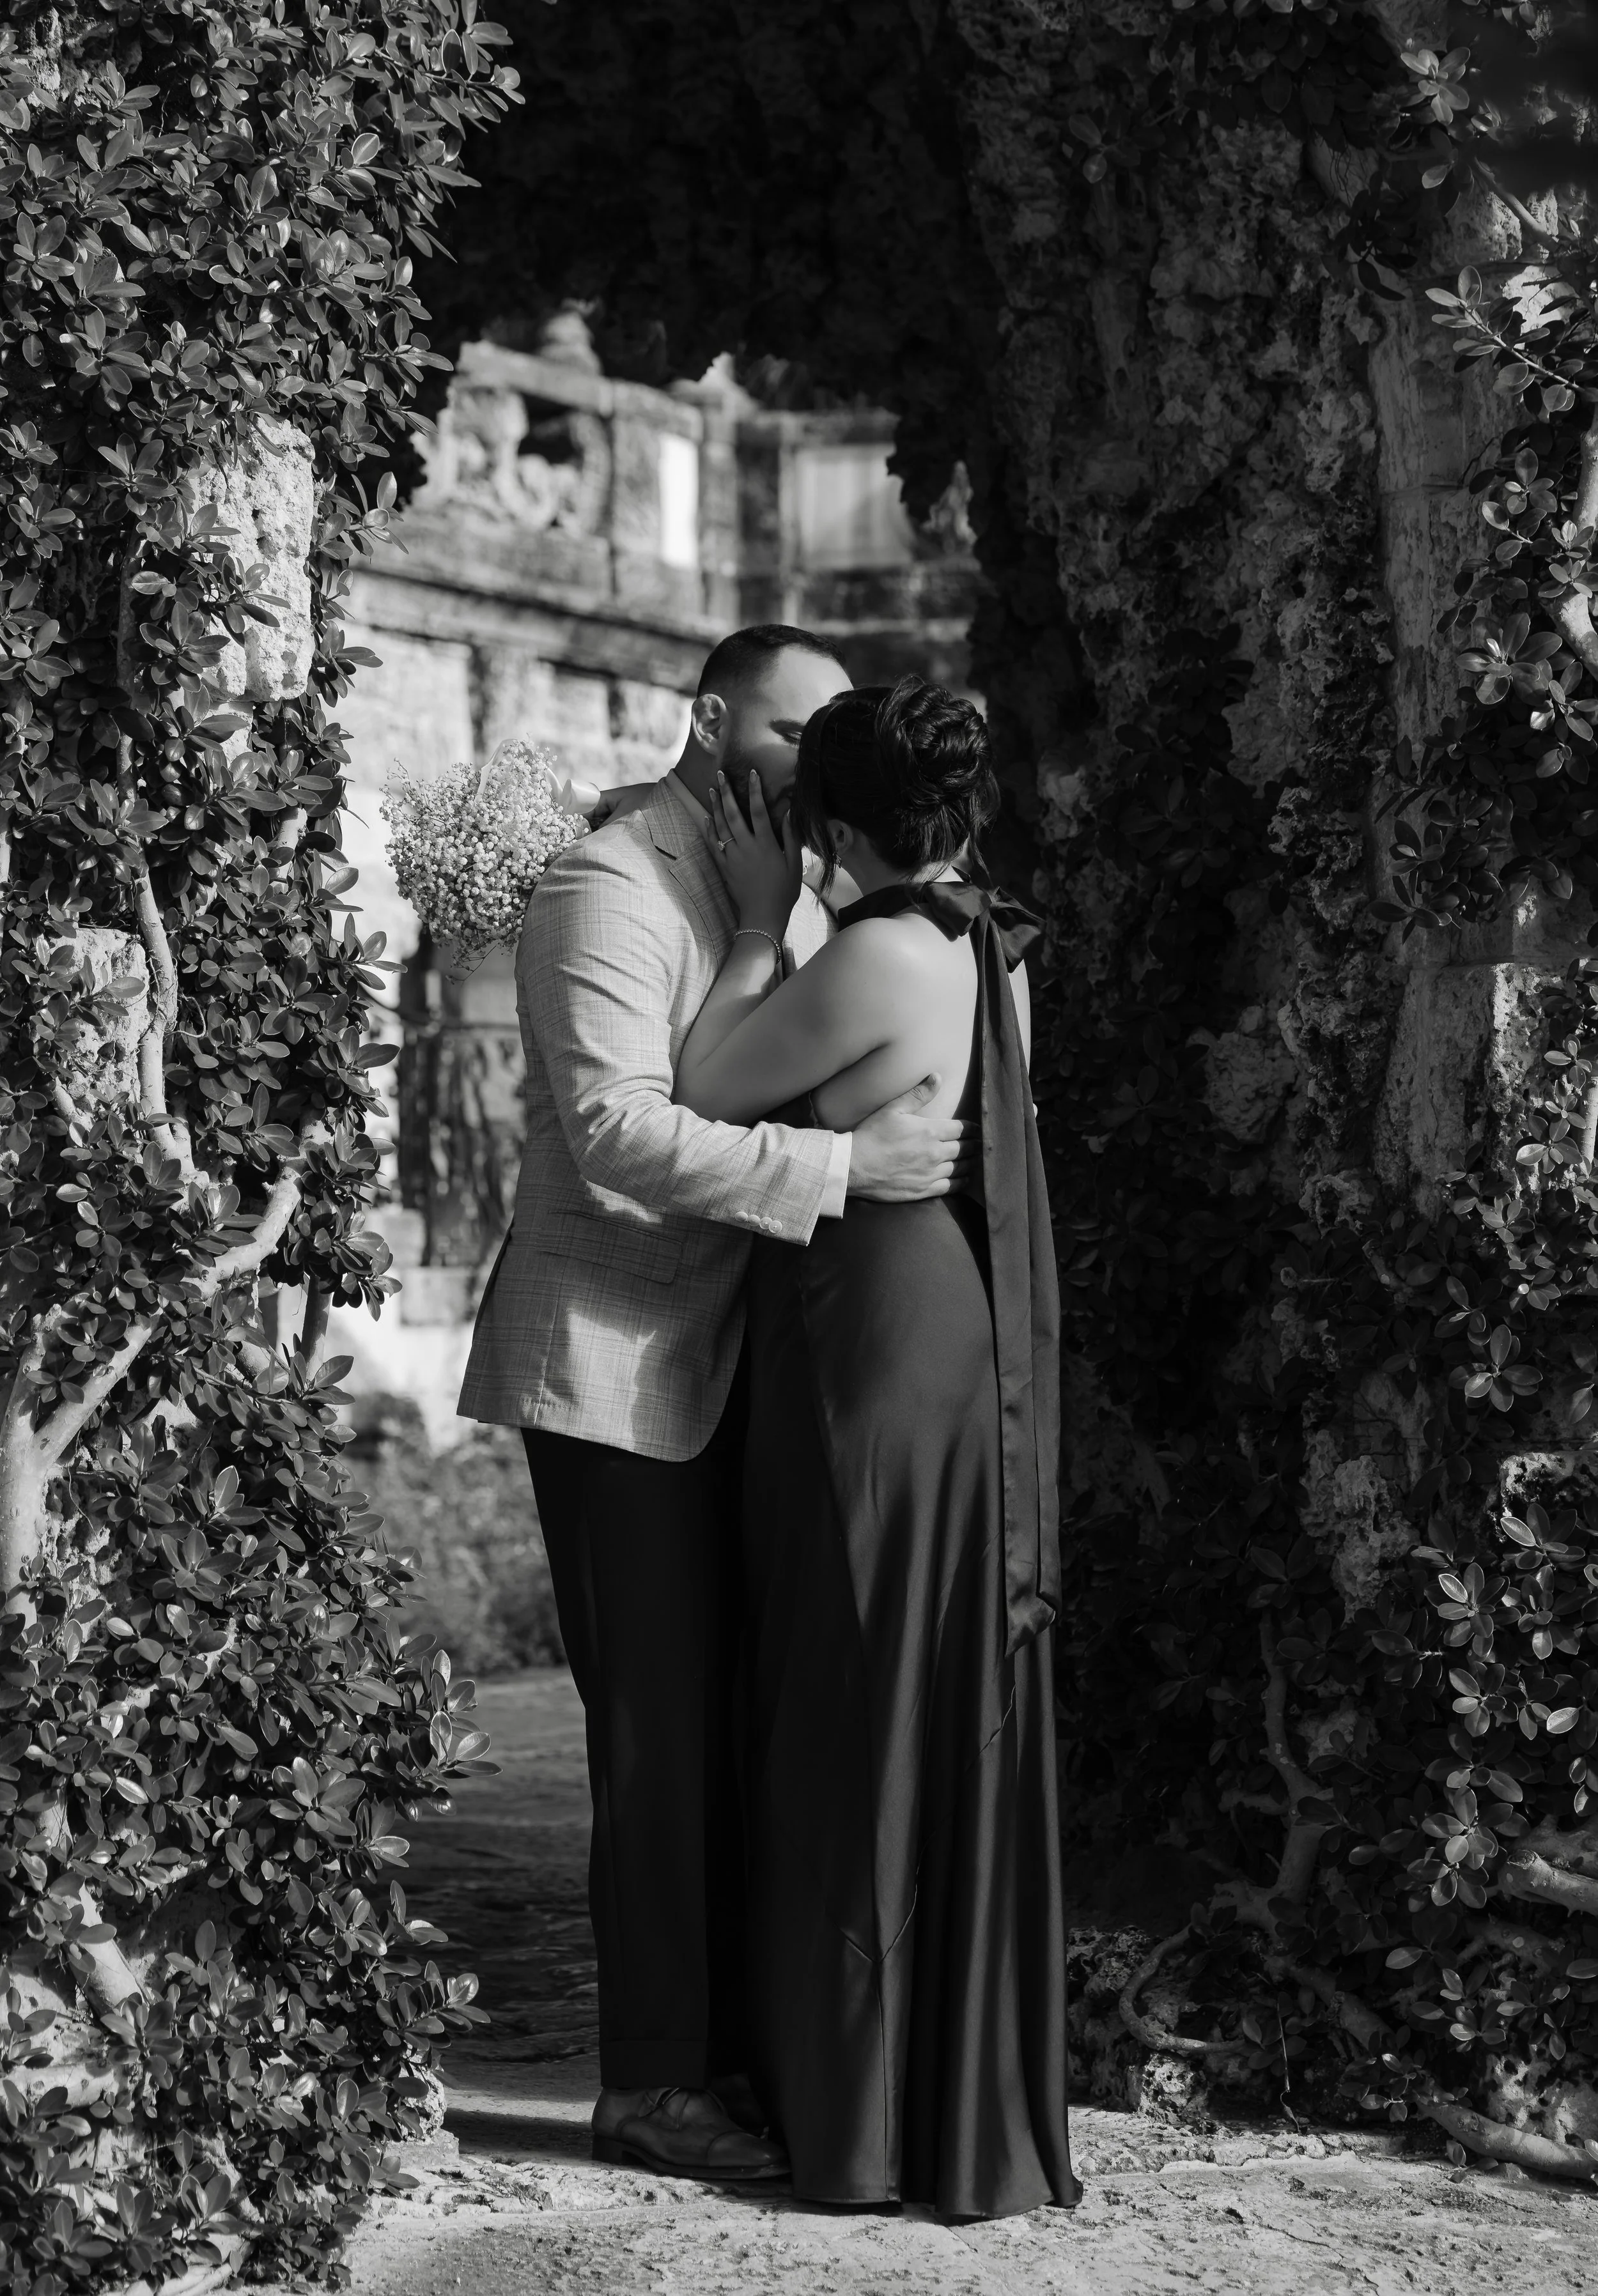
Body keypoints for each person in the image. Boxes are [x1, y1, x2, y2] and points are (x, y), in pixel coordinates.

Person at [457, 627, 973, 2184]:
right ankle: (648, 2081)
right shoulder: (602, 885)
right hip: (613, 1358)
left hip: (753, 1360)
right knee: (658, 1734)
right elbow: (616, 1129)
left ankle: (747, 2043)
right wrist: (843, 1176)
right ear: (704, 719)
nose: (811, 760)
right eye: (787, 729)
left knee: (748, 1711)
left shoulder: (793, 876)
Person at [672, 674, 1079, 2219]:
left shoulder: (881, 955)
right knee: (924, 1673)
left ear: (835, 825)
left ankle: (856, 2112)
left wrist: (755, 920)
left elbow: (705, 1085)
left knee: (854, 1682)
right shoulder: (994, 943)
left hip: (870, 1338)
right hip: (949, 1327)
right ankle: (936, 2091)